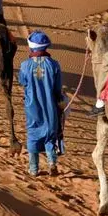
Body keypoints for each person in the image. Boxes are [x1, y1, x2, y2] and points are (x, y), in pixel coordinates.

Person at [19, 31, 64, 176]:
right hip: (50, 106)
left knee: (33, 134)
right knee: (50, 134)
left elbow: (22, 82)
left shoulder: (24, 65)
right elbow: (58, 88)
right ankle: (52, 163)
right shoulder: (54, 65)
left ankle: (33, 169)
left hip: (32, 106)